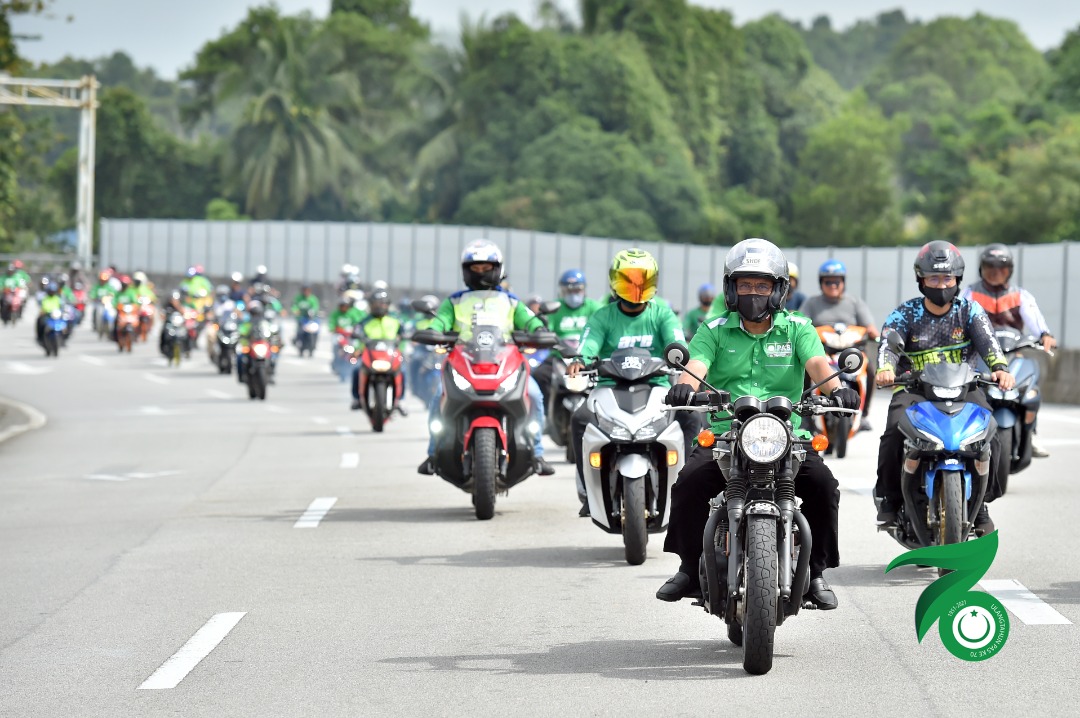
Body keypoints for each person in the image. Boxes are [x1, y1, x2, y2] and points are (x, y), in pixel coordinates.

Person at [656, 238, 854, 609]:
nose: (753, 293)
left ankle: (817, 572)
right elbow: (695, 367)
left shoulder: (798, 327)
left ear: (778, 289)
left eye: (762, 285)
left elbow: (819, 367)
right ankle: (687, 568)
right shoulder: (713, 329)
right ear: (731, 289)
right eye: (745, 285)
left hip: (787, 434)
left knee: (824, 485)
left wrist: (838, 388)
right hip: (725, 433)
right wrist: (684, 387)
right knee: (689, 483)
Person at [874, 240, 1013, 535]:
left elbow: (989, 343)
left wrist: (1000, 368)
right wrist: (885, 369)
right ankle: (889, 496)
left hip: (965, 387)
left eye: (947, 278)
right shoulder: (905, 313)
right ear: (921, 280)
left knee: (992, 434)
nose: (941, 284)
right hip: (914, 389)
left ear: (958, 280)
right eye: (934, 278)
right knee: (893, 432)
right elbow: (888, 344)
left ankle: (982, 500)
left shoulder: (970, 311)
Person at [567, 249, 701, 516]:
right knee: (579, 418)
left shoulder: (662, 315)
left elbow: (676, 342)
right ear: (614, 281)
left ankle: (686, 483)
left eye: (643, 279)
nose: (636, 286)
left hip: (657, 385)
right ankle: (587, 489)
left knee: (691, 418)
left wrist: (680, 356)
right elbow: (588, 343)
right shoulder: (602, 316)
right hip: (608, 386)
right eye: (629, 279)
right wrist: (580, 359)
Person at [417, 239, 555, 477]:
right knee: (438, 396)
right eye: (475, 268)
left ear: (497, 269)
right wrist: (433, 330)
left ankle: (538, 453)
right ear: (465, 271)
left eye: (486, 268)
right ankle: (433, 453)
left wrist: (539, 329)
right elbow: (439, 321)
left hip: (505, 363)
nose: (480, 273)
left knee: (534, 394)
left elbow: (530, 320)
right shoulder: (454, 301)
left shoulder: (511, 301)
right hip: (464, 362)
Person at [962, 243, 1056, 458]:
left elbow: (1034, 318)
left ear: (1010, 270)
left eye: (1001, 268)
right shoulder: (969, 294)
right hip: (981, 355)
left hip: (1014, 351)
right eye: (990, 267)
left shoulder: (1020, 296)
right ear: (981, 269)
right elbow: (961, 319)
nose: (996, 272)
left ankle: (1030, 434)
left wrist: (1045, 335)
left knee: (1029, 387)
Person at [799, 259, 881, 431]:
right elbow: (800, 325)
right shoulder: (811, 303)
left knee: (871, 369)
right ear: (821, 283)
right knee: (806, 370)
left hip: (853, 353)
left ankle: (864, 415)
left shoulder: (855, 302)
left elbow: (870, 327)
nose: (833, 285)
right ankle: (805, 414)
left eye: (837, 281)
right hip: (822, 352)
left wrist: (878, 337)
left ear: (843, 282)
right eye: (828, 282)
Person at [532, 269, 604, 402]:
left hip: (587, 358)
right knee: (539, 375)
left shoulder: (595, 308)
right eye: (569, 291)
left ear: (584, 290)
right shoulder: (555, 308)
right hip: (560, 356)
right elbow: (546, 330)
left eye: (577, 290)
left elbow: (604, 329)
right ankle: (546, 413)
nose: (573, 294)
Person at [349, 289, 406, 411]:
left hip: (390, 355)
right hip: (370, 355)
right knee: (356, 370)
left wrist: (402, 350)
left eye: (383, 303)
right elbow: (356, 335)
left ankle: (400, 400)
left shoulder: (396, 320)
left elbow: (404, 336)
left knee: (403, 371)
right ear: (371, 305)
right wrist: (357, 349)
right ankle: (357, 398)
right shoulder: (365, 321)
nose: (380, 306)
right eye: (376, 303)